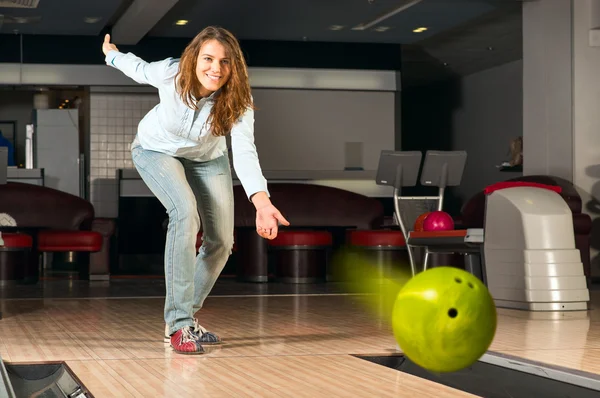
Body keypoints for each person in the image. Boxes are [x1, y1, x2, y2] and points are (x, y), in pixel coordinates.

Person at [102, 26, 290, 354]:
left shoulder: (239, 99)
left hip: (207, 158)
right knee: (185, 212)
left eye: (225, 61)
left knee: (221, 242)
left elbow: (244, 150)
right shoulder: (172, 72)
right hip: (155, 150)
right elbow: (138, 68)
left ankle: (185, 316)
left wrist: (262, 203)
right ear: (194, 58)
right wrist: (111, 54)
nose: (215, 68)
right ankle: (178, 325)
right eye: (208, 58)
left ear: (235, 67)